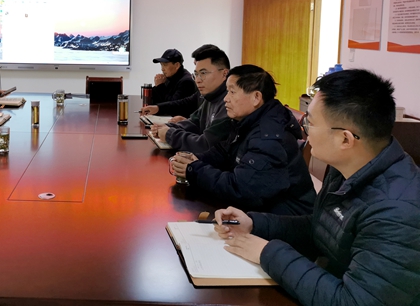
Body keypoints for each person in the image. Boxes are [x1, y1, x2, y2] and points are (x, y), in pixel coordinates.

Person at [213, 69, 420, 306]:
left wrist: (267, 253)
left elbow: (352, 302)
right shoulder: (347, 167)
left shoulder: (397, 212)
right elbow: (321, 229)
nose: (304, 131)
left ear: (345, 139)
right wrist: (254, 224)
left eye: (309, 123)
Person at [171, 64, 315, 215]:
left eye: (232, 92)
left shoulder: (269, 137)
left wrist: (195, 170)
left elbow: (241, 190)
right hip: (260, 210)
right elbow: (223, 153)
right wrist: (195, 160)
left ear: (256, 97)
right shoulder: (247, 121)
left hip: (284, 218)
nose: (226, 99)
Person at [150, 45, 230, 155]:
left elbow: (206, 145)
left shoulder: (229, 103)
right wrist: (166, 127)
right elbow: (194, 122)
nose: (197, 80)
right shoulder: (210, 96)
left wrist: (169, 134)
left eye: (203, 73)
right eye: (196, 74)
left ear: (224, 73)